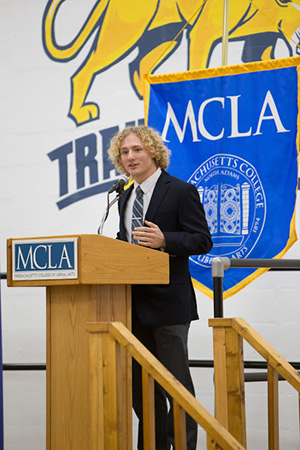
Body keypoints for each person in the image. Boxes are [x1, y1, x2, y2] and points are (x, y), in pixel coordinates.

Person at [108, 125, 213, 450]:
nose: (130, 157)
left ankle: (183, 446)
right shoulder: (124, 196)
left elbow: (202, 240)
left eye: (136, 149)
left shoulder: (181, 191)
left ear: (153, 151)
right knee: (143, 391)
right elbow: (126, 245)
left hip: (169, 307)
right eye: (124, 152)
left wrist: (166, 239)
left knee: (176, 388)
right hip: (133, 307)